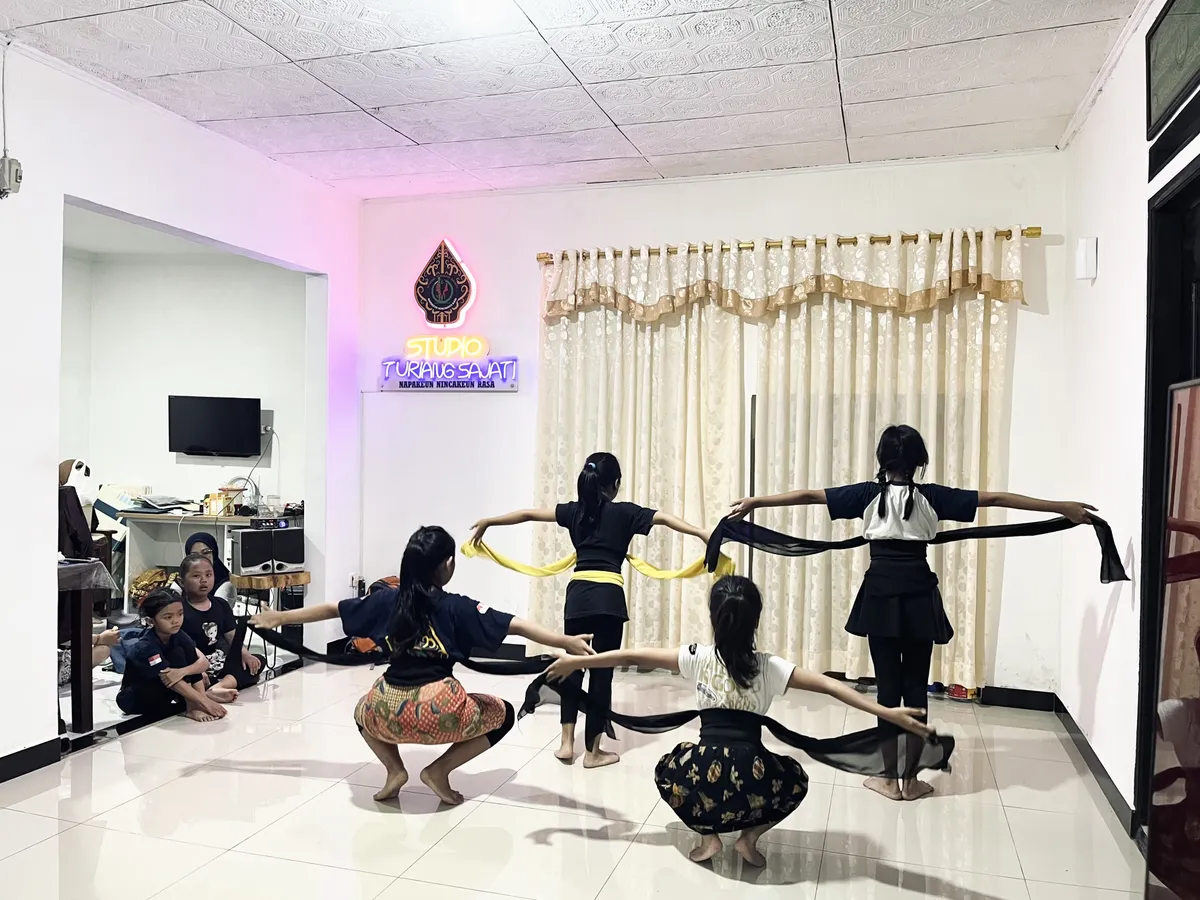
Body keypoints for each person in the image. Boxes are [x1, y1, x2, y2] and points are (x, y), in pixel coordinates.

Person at [729, 424, 1096, 802]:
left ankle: (888, 779)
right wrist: (1061, 508)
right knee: (915, 687)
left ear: (881, 460)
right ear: (920, 460)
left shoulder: (866, 495)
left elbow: (808, 495)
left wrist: (756, 502)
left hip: (881, 596)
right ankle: (912, 780)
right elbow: (997, 499)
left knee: (887, 689)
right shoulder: (933, 497)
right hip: (920, 595)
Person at [543, 574, 935, 866]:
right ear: (756, 621)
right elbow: (831, 687)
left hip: (701, 777)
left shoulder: (696, 656)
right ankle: (749, 837)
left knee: (666, 767)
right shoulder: (770, 667)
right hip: (754, 779)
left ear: (714, 617)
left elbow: (633, 655)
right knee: (797, 778)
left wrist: (580, 660)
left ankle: (709, 836)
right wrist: (886, 711)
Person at [469, 451, 710, 768]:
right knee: (601, 674)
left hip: (578, 597)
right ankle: (593, 753)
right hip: (609, 600)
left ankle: (566, 744)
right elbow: (664, 518)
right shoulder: (625, 513)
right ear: (616, 484)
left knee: (573, 669)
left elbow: (529, 514)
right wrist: (703, 533)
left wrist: (489, 521)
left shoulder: (574, 512)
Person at [353, 525, 595, 806]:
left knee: (362, 709)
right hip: (438, 712)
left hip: (387, 711)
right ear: (448, 564)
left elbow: (334, 608)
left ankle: (395, 770)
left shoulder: (387, 599)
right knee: (503, 714)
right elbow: (513, 625)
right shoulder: (456, 606)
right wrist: (565, 640)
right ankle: (439, 770)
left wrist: (287, 619)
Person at [116, 590, 234, 721]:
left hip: (166, 692)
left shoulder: (178, 635)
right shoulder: (146, 647)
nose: (176, 621)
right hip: (136, 698)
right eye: (168, 617)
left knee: (184, 658)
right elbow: (169, 679)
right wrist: (205, 702)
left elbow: (201, 663)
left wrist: (183, 673)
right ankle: (195, 705)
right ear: (150, 621)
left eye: (180, 614)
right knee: (178, 656)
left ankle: (198, 702)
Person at [178, 553, 266, 692]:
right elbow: (177, 647)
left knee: (257, 660)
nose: (203, 580)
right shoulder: (178, 609)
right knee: (186, 679)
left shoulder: (220, 605)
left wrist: (245, 654)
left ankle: (219, 687)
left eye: (208, 575)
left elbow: (232, 637)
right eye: (196, 576)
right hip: (193, 664)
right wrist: (197, 671)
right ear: (182, 581)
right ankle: (222, 685)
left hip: (217, 662)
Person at [183, 532, 235, 602]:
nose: (200, 558)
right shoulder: (183, 576)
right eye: (194, 555)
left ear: (214, 554)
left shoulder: (226, 585)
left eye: (206, 553)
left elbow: (217, 611)